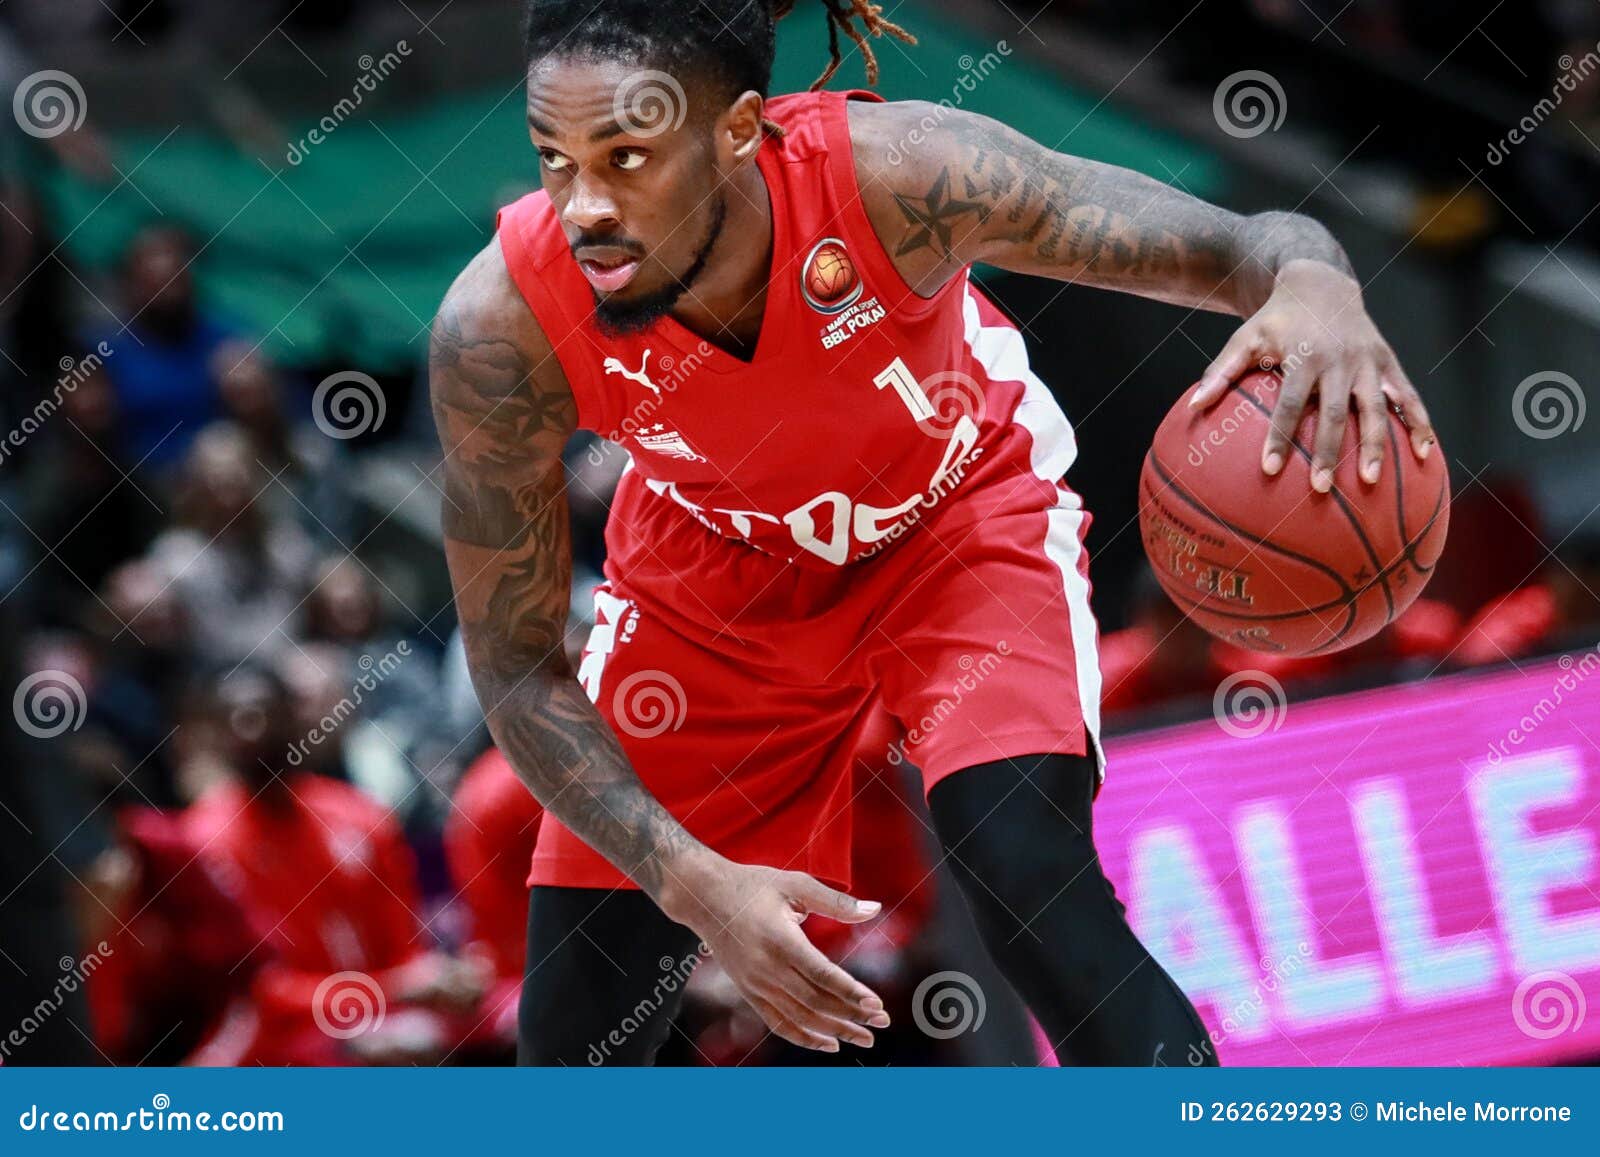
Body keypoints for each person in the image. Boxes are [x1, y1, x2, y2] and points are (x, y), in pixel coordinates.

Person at [430, 0, 1437, 1066]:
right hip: (714, 571)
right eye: (554, 159)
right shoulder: (500, 326)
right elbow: (515, 664)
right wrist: (692, 880)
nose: (586, 205)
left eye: (626, 157)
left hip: (955, 519)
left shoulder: (899, 175)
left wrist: (1318, 285)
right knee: (576, 1024)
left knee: (1023, 865)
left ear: (736, 132)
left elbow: (1248, 248)